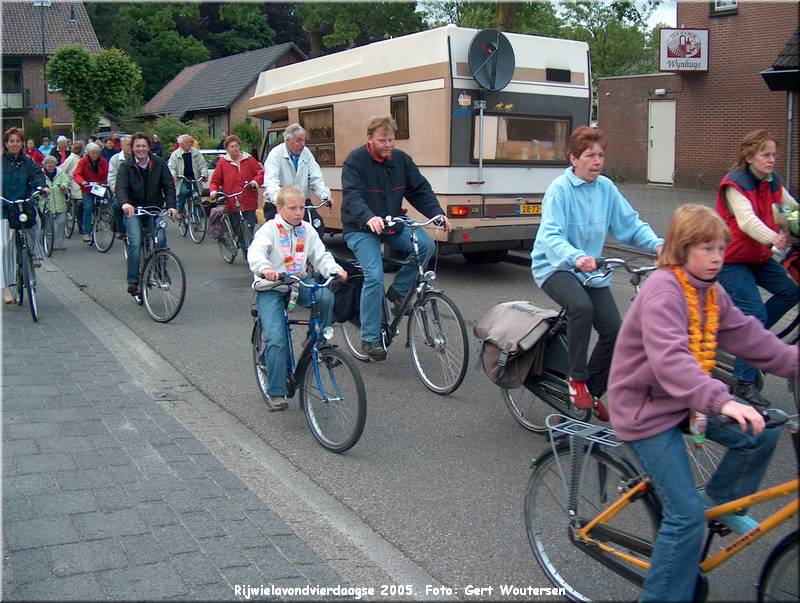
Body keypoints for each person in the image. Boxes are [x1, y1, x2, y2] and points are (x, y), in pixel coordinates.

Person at [608, 204, 797, 602]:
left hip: (686, 402)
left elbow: (751, 338)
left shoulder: (711, 292)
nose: (717, 258)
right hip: (646, 411)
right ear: (681, 249)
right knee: (685, 517)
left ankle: (720, 504)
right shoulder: (663, 290)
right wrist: (724, 401)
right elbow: (671, 361)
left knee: (764, 433)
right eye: (706, 249)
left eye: (720, 249)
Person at [531, 126, 663, 420]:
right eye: (590, 155)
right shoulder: (559, 190)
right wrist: (576, 257)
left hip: (592, 270)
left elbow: (629, 224)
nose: (597, 161)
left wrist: (658, 245)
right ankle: (576, 380)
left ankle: (591, 392)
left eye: (601, 155)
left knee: (616, 333)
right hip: (555, 266)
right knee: (581, 307)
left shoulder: (606, 188)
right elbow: (551, 236)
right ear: (573, 159)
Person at [341, 115, 451, 361]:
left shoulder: (401, 160)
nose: (388, 144)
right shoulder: (355, 161)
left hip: (391, 222)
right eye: (382, 140)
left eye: (391, 140)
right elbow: (352, 196)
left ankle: (399, 292)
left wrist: (436, 214)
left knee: (425, 246)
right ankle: (369, 338)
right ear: (369, 139)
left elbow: (419, 189)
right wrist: (368, 217)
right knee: (374, 274)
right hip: (360, 227)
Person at [716, 129, 799, 407]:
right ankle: (743, 381)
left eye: (774, 154)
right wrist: (774, 237)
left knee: (791, 291)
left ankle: (753, 341)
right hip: (731, 259)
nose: (772, 160)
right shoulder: (734, 184)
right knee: (755, 315)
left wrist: (794, 223)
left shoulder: (772, 181)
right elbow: (746, 221)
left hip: (758, 257)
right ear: (749, 156)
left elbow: (791, 209)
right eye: (766, 155)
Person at [248, 185, 347, 411]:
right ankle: (276, 392)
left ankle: (316, 339)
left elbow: (320, 255)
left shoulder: (307, 230)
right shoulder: (269, 229)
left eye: (302, 207)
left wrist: (334, 269)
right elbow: (255, 253)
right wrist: (265, 269)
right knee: (276, 340)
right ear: (280, 208)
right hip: (271, 286)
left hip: (297, 282)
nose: (299, 212)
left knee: (326, 297)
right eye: (293, 208)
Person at [115, 132, 177, 298]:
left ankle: (160, 272)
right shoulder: (126, 166)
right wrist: (125, 204)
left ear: (149, 147)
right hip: (133, 210)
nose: (140, 149)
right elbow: (120, 187)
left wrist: (171, 206)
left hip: (154, 209)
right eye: (137, 146)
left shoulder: (158, 163)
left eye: (143, 146)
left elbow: (169, 186)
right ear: (132, 148)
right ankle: (134, 282)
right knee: (135, 242)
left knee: (161, 239)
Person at [2, 128, 47, 303]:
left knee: (34, 222)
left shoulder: (27, 162)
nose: (14, 144)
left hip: (23, 206)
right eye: (11, 141)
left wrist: (41, 187)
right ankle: (6, 288)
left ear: (22, 143)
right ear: (6, 144)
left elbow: (37, 176)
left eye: (18, 141)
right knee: (4, 248)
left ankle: (35, 254)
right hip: (4, 208)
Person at [263, 123, 331, 230]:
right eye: (298, 140)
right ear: (287, 140)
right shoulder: (275, 154)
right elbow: (271, 182)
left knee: (318, 227)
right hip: (278, 205)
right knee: (280, 237)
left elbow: (316, 177)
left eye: (304, 140)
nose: (302, 144)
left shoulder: (306, 153)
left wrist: (324, 195)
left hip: (301, 202)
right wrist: (280, 201)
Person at [210, 134, 263, 253]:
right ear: (227, 149)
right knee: (237, 228)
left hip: (248, 198)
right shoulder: (223, 162)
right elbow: (215, 180)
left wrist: (255, 182)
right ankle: (236, 241)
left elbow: (260, 173)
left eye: (236, 146)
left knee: (249, 226)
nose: (235, 148)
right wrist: (214, 191)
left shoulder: (248, 159)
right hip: (232, 200)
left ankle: (248, 253)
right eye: (232, 146)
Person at [72, 141, 109, 243]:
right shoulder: (83, 161)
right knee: (88, 208)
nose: (95, 155)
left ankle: (102, 218)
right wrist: (82, 181)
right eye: (93, 153)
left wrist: (104, 182)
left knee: (104, 204)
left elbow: (106, 173)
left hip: (99, 186)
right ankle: (86, 232)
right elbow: (77, 174)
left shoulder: (103, 161)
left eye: (97, 153)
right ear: (88, 153)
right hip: (87, 187)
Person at [167, 134, 208, 220]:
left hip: (194, 178)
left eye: (190, 142)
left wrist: (204, 174)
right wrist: (173, 174)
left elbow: (203, 165)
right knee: (183, 192)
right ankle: (179, 211)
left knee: (197, 197)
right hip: (182, 179)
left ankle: (198, 220)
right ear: (181, 144)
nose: (189, 144)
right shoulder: (175, 154)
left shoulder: (196, 153)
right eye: (187, 142)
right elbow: (171, 167)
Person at [41, 155, 70, 251]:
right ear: (45, 165)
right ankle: (49, 243)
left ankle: (60, 243)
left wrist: (64, 185)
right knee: (48, 225)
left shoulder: (60, 172)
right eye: (49, 166)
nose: (51, 168)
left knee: (61, 222)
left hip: (59, 201)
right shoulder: (40, 174)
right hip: (46, 202)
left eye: (53, 166)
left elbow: (67, 180)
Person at [108, 135, 133, 239]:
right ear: (122, 146)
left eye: (132, 145)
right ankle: (121, 229)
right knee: (117, 205)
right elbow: (111, 176)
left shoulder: (139, 157)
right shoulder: (115, 159)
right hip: (121, 190)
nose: (130, 147)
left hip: (137, 190)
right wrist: (114, 187)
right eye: (128, 145)